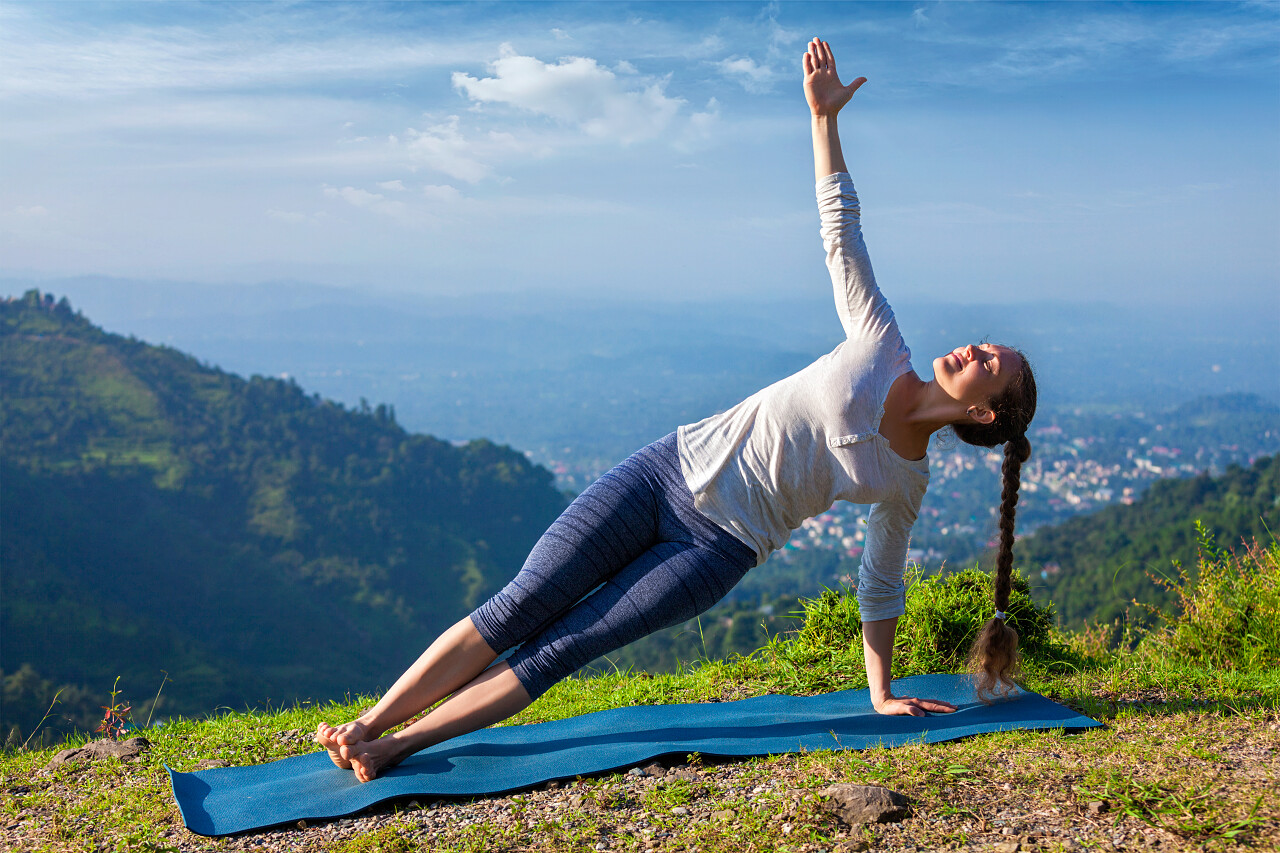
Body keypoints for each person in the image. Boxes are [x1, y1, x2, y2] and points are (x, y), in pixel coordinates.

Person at [316, 38, 1037, 784]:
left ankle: (393, 747)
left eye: (991, 365)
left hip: (714, 550)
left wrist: (880, 693)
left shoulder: (905, 479)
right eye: (984, 344)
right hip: (666, 468)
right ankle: (367, 722)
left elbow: (881, 580)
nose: (974, 351)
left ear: (985, 414)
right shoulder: (882, 340)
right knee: (520, 603)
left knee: (564, 646)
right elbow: (840, 231)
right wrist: (823, 120)